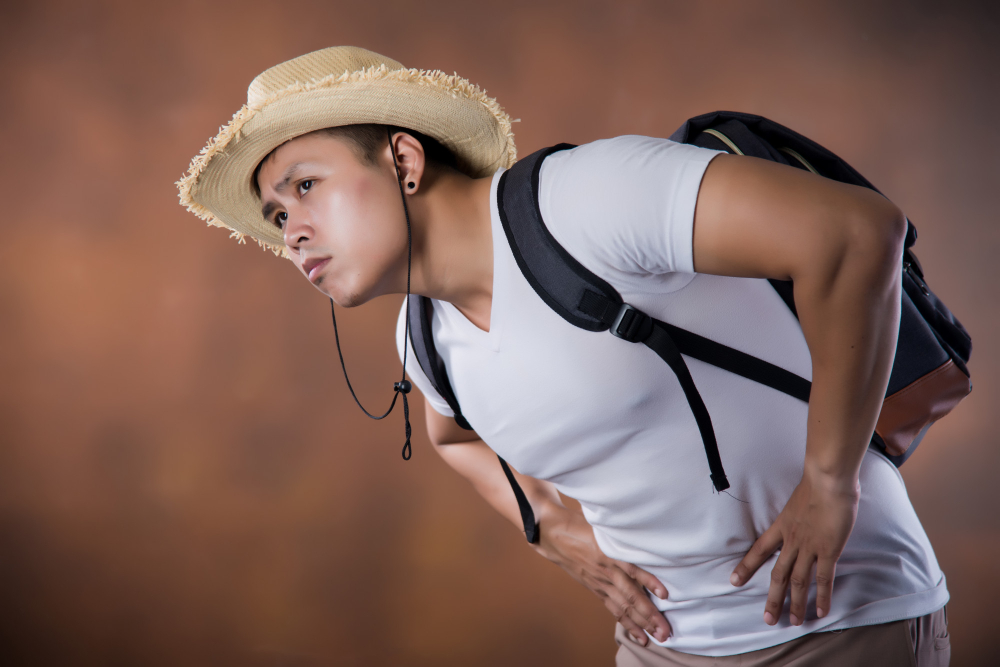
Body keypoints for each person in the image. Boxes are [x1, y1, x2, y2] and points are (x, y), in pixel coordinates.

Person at [178, 46, 951, 666]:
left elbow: (855, 233)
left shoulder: (585, 198)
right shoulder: (424, 337)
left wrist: (830, 480)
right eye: (278, 214)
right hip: (662, 650)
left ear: (404, 159)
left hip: (847, 624)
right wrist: (552, 530)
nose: (291, 232)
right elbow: (453, 437)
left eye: (305, 186)